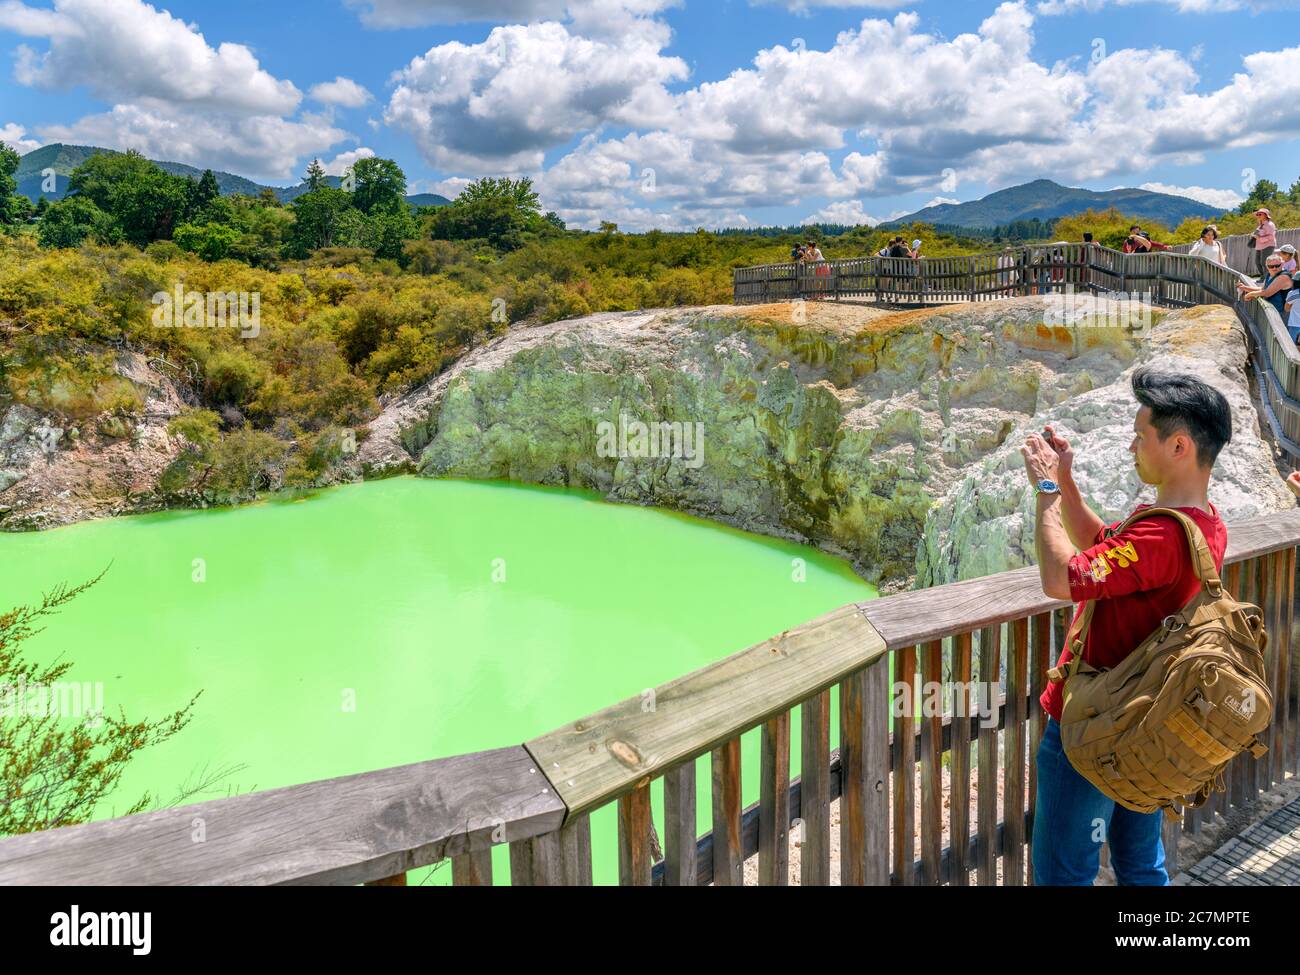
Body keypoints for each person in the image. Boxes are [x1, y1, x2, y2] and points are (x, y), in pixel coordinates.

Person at [1021, 368, 1233, 886]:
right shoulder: (1201, 523)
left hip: (1097, 728)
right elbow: (1102, 546)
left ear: (1178, 445)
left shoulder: (1162, 536)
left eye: (1141, 434)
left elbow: (1061, 578)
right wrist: (1067, 482)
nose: (1131, 444)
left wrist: (1046, 490)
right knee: (1141, 864)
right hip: (1146, 723)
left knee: (1063, 874)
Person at [1236, 253, 1292, 319]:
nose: (1274, 268)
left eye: (1277, 266)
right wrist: (1244, 287)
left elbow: (1266, 293)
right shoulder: (1269, 274)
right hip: (1273, 311)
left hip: (1283, 313)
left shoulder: (1283, 277)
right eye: (1271, 266)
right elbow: (1262, 289)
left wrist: (1249, 295)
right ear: (1267, 266)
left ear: (1282, 264)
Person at [1249, 208, 1277, 279]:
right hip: (1259, 246)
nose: (1258, 215)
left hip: (1268, 245)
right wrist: (1253, 235)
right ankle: (1263, 276)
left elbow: (1271, 236)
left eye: (1260, 214)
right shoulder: (1260, 225)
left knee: (1264, 262)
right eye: (1257, 214)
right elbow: (1258, 233)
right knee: (1257, 262)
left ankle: (1267, 277)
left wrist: (1259, 238)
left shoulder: (1270, 225)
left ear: (1266, 215)